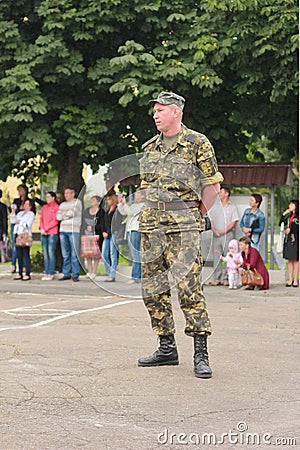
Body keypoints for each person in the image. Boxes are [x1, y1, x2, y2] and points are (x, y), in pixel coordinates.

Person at [137, 91, 223, 379]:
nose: (155, 114)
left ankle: (200, 352)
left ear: (176, 112)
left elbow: (211, 186)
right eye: (154, 110)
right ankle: (166, 348)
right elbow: (144, 186)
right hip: (151, 224)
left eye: (160, 110)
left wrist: (194, 212)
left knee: (189, 287)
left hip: (184, 225)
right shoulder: (149, 147)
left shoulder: (197, 143)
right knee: (152, 288)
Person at [209, 187, 239, 285]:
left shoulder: (232, 207)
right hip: (216, 234)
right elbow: (211, 219)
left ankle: (226, 278)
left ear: (227, 194)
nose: (219, 194)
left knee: (228, 256)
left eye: (221, 192)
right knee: (216, 256)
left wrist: (223, 231)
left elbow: (234, 222)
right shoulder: (215, 206)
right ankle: (217, 279)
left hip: (227, 234)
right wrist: (214, 230)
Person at [117, 189, 145, 284]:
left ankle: (136, 276)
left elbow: (130, 212)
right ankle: (137, 275)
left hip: (136, 229)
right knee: (134, 254)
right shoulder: (134, 205)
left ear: (142, 196)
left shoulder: (142, 205)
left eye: (137, 194)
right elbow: (123, 212)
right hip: (130, 230)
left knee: (136, 253)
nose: (135, 196)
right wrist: (121, 203)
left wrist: (125, 204)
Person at [56, 188, 82, 282]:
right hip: (63, 230)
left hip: (73, 230)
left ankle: (75, 274)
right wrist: (65, 215)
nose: (65, 195)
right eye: (65, 193)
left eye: (67, 193)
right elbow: (58, 217)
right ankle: (66, 273)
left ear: (73, 193)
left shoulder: (77, 203)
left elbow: (72, 213)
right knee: (65, 254)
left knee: (74, 253)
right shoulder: (62, 205)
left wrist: (64, 215)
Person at [101, 191, 124, 282]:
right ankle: (109, 272)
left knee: (113, 254)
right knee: (104, 254)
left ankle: (112, 274)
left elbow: (115, 224)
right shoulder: (107, 210)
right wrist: (104, 231)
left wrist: (108, 232)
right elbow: (105, 222)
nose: (108, 201)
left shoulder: (117, 210)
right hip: (106, 234)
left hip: (113, 233)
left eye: (109, 199)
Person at [81, 195, 102, 279]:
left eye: (93, 200)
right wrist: (86, 227)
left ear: (98, 202)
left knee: (96, 254)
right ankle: (89, 271)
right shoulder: (86, 211)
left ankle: (94, 271)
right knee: (88, 253)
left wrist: (93, 228)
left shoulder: (101, 212)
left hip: (96, 235)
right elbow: (83, 222)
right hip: (87, 235)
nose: (92, 201)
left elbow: (101, 223)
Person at [40, 192, 59, 280]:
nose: (46, 198)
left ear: (53, 198)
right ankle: (46, 271)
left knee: (51, 252)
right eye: (46, 196)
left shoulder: (56, 207)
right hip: (44, 232)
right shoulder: (44, 207)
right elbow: (41, 219)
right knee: (46, 253)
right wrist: (42, 228)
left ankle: (51, 272)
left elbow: (55, 220)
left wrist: (46, 228)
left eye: (48, 197)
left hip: (52, 232)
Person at [279, 200, 299, 287]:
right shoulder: (289, 216)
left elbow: (297, 227)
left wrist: (291, 230)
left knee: (295, 259)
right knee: (289, 260)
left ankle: (295, 279)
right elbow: (280, 223)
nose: (289, 206)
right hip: (288, 239)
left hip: (295, 238)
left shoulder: (297, 217)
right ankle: (290, 279)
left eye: (292, 204)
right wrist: (284, 214)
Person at [14, 199, 35, 281]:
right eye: (25, 204)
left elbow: (27, 224)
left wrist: (21, 221)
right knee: (19, 255)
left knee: (26, 254)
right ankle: (20, 272)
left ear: (30, 206)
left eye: (27, 204)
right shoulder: (20, 213)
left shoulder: (31, 214)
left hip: (26, 234)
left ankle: (27, 273)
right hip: (19, 234)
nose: (25, 206)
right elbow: (15, 221)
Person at [0, 189, 8, 263]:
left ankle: (3, 258)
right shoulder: (3, 206)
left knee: (1, 244)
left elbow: (4, 219)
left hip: (1, 228)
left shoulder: (2, 206)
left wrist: (5, 231)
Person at [9, 203, 18, 272]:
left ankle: (23, 265)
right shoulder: (12, 215)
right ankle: (13, 264)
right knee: (14, 246)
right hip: (14, 226)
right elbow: (12, 220)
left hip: (19, 227)